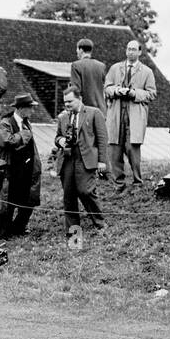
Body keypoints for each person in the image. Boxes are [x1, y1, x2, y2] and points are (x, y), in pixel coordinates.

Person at [103, 39, 157, 192]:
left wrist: (135, 93)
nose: (130, 52)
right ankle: (118, 184)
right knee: (114, 148)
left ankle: (137, 182)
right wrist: (115, 90)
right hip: (116, 113)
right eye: (128, 49)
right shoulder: (115, 68)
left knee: (133, 148)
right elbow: (106, 87)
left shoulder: (147, 72)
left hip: (134, 115)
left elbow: (152, 94)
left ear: (140, 52)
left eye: (134, 49)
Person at [52, 89, 108, 238]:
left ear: (80, 99)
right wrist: (61, 141)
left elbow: (102, 139)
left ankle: (100, 222)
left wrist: (102, 161)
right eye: (65, 102)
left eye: (70, 101)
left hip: (86, 159)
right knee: (68, 195)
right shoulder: (63, 117)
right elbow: (57, 137)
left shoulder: (94, 113)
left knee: (86, 191)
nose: (67, 105)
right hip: (67, 159)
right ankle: (73, 231)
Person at [0, 93, 41, 238]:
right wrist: (23, 135)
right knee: (7, 203)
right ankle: (4, 233)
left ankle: (18, 228)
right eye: (30, 108)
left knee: (28, 199)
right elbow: (7, 141)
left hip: (26, 168)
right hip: (9, 169)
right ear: (21, 108)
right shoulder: (5, 123)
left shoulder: (26, 122)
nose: (32, 111)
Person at [69, 38, 108, 114]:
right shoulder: (101, 66)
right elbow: (105, 89)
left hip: (85, 111)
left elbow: (76, 90)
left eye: (77, 49)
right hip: (101, 111)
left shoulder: (76, 65)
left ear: (81, 50)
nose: (76, 52)